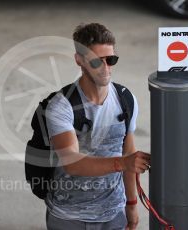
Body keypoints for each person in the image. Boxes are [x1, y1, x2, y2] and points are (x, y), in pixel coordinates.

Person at [44, 23, 151, 230]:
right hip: (68, 217)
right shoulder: (61, 106)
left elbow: (128, 152)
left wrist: (131, 204)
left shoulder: (125, 99)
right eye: (96, 61)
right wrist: (122, 163)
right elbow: (72, 163)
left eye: (110, 60)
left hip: (113, 214)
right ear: (79, 60)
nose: (105, 68)